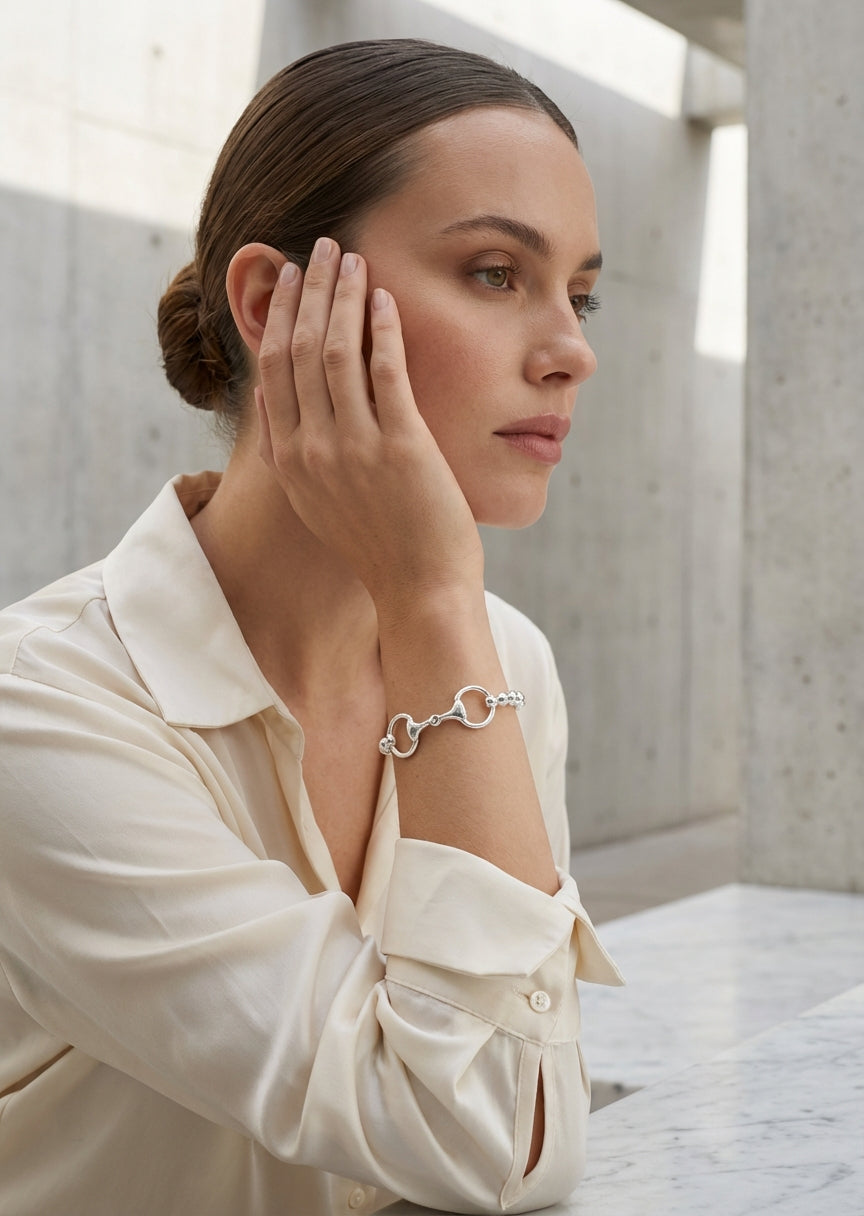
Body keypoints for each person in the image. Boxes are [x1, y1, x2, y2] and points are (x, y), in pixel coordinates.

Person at [0, 38, 622, 1216]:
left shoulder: (507, 662)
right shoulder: (41, 712)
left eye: (581, 293)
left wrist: (438, 611)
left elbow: (535, 1132)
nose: (572, 351)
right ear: (274, 305)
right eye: (497, 272)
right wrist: (434, 595)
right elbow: (479, 1138)